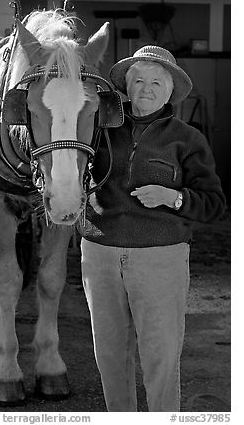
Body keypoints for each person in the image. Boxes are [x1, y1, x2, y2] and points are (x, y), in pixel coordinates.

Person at [79, 45, 226, 412]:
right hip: (100, 252)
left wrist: (172, 197)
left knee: (160, 355)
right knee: (110, 354)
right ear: (126, 87)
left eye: (156, 82)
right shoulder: (99, 128)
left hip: (161, 258)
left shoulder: (188, 139)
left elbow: (214, 205)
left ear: (170, 90)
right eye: (138, 80)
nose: (146, 88)